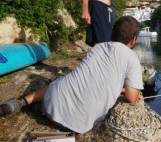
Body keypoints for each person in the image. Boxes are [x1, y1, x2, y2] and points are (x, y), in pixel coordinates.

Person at [0, 16, 144, 134]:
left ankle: (21, 102)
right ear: (134, 40)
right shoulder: (132, 57)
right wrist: (127, 91)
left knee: (58, 82)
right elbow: (132, 97)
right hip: (78, 125)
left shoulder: (98, 47)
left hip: (52, 106)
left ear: (113, 33)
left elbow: (92, 75)